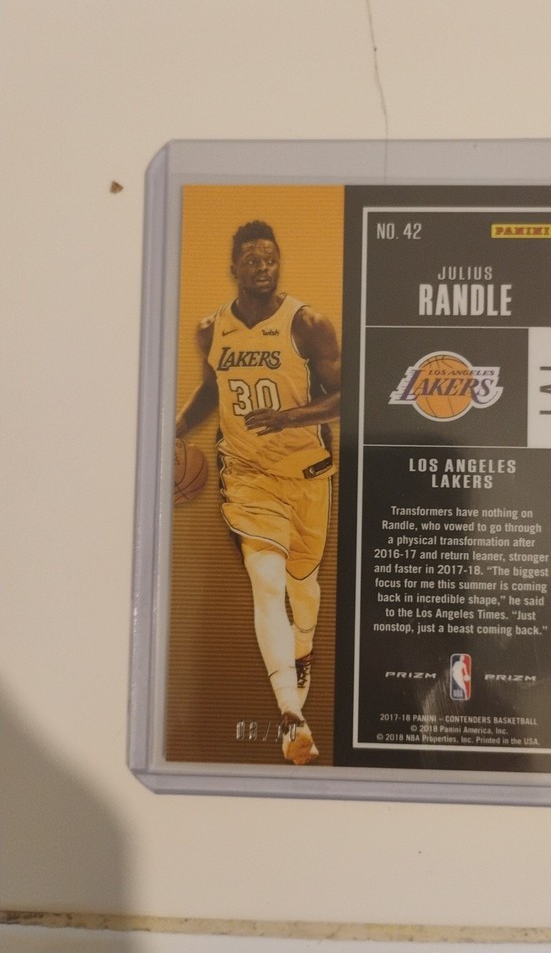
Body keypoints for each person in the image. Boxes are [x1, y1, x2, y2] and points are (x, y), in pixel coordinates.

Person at [175, 220, 341, 765]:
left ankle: (302, 649)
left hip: (307, 473)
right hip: (246, 475)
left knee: (303, 587)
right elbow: (211, 388)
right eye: (252, 260)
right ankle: (291, 713)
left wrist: (291, 416)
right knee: (266, 582)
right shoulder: (212, 329)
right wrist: (176, 428)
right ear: (234, 268)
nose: (263, 267)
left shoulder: (308, 324)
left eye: (270, 259)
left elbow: (350, 395)